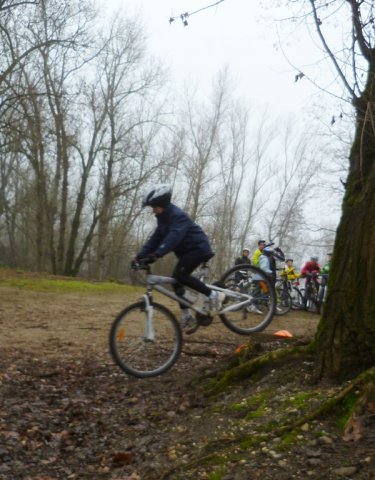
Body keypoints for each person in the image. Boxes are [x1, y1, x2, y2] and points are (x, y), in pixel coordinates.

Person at [134, 184, 225, 333]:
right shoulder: (163, 219)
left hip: (198, 249)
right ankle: (187, 316)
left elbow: (173, 237)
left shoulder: (177, 216)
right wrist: (139, 257)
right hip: (187, 253)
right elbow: (155, 240)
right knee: (177, 281)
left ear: (162, 204)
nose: (152, 210)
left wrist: (157, 254)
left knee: (180, 275)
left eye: (154, 206)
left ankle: (213, 295)